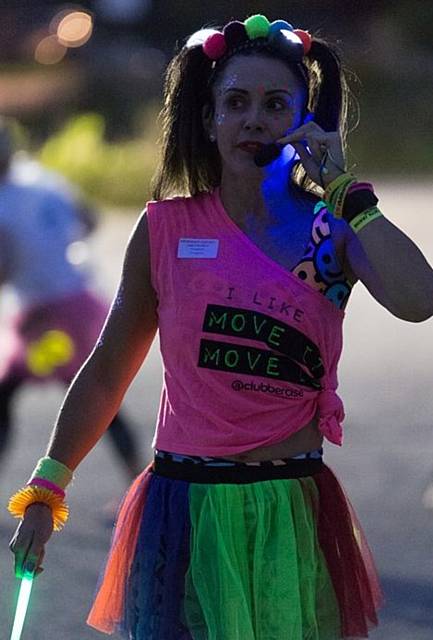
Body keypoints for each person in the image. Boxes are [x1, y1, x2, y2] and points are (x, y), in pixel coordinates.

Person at [8, 13, 433, 639]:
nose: (254, 119)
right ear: (209, 120)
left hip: (289, 505)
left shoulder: (332, 228)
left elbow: (418, 298)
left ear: (302, 120)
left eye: (275, 104)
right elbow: (105, 372)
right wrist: (48, 489)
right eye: (235, 103)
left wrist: (346, 190)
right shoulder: (164, 229)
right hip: (183, 505)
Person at [0, 120, 142, 483]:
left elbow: (4, 265)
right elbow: (89, 219)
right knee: (94, 392)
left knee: (91, 396)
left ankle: (139, 486)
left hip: (48, 316)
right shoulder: (41, 178)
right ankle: (135, 478)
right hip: (77, 301)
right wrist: (56, 252)